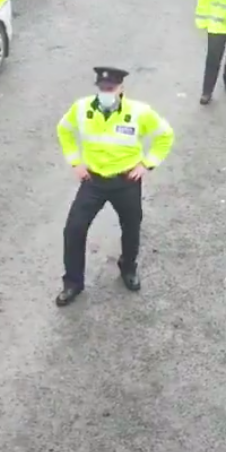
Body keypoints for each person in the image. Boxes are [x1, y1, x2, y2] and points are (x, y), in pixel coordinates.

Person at [54, 67, 176, 307]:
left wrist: (147, 164)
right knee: (74, 230)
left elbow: (165, 135)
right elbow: (64, 130)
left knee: (131, 227)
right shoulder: (82, 109)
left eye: (110, 89)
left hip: (126, 180)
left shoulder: (139, 113)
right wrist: (75, 161)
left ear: (121, 89)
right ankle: (73, 283)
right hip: (94, 180)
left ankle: (128, 267)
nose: (106, 93)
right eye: (102, 89)